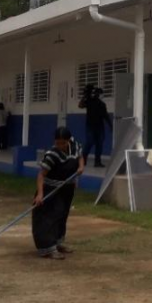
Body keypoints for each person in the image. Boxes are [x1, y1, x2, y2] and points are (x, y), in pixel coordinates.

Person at [32, 126, 84, 259]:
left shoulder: (75, 146)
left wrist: (81, 167)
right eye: (57, 143)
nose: (60, 145)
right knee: (49, 217)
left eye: (63, 143)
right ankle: (48, 248)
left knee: (62, 215)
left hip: (67, 188)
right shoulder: (52, 154)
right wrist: (40, 194)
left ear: (68, 141)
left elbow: (80, 157)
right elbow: (41, 175)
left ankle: (58, 243)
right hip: (51, 189)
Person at [80, 85, 112, 167]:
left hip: (96, 127)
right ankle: (87, 161)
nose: (102, 95)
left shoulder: (100, 104)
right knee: (93, 143)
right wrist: (84, 96)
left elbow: (105, 116)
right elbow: (80, 105)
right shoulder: (92, 101)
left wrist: (110, 125)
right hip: (93, 127)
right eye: (102, 94)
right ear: (98, 94)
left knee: (95, 144)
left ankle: (93, 161)